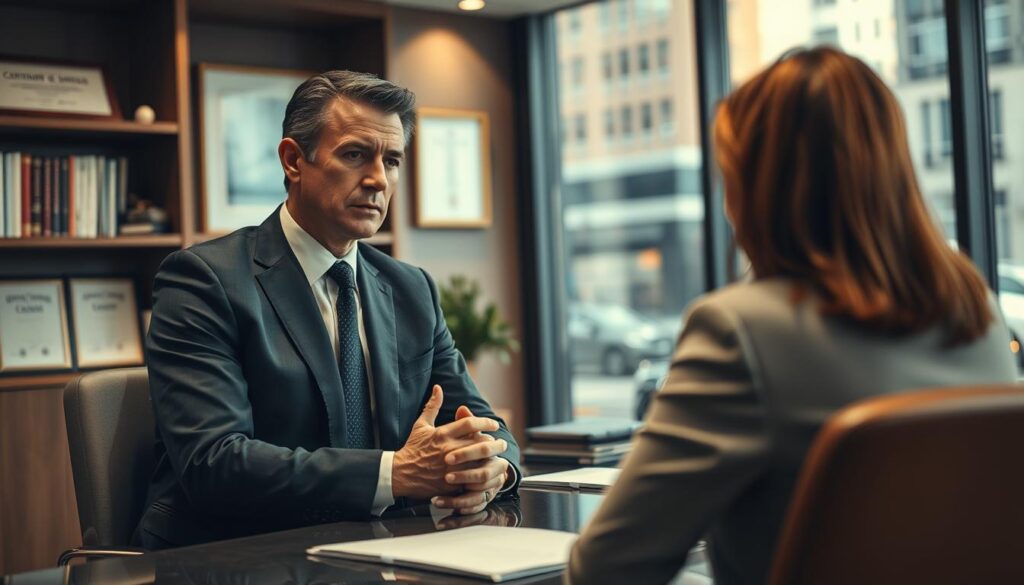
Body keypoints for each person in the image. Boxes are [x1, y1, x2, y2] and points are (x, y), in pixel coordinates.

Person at [567, 47, 1017, 585]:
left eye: (728, 173)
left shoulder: (739, 329)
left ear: (758, 186)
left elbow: (606, 570)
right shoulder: (978, 310)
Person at [135, 71, 520, 549]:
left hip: (386, 551)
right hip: (239, 555)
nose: (379, 179)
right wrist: (394, 474)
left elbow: (486, 424)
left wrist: (492, 468)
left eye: (392, 160)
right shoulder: (203, 280)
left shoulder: (411, 289)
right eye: (356, 154)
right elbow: (214, 464)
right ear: (294, 160)